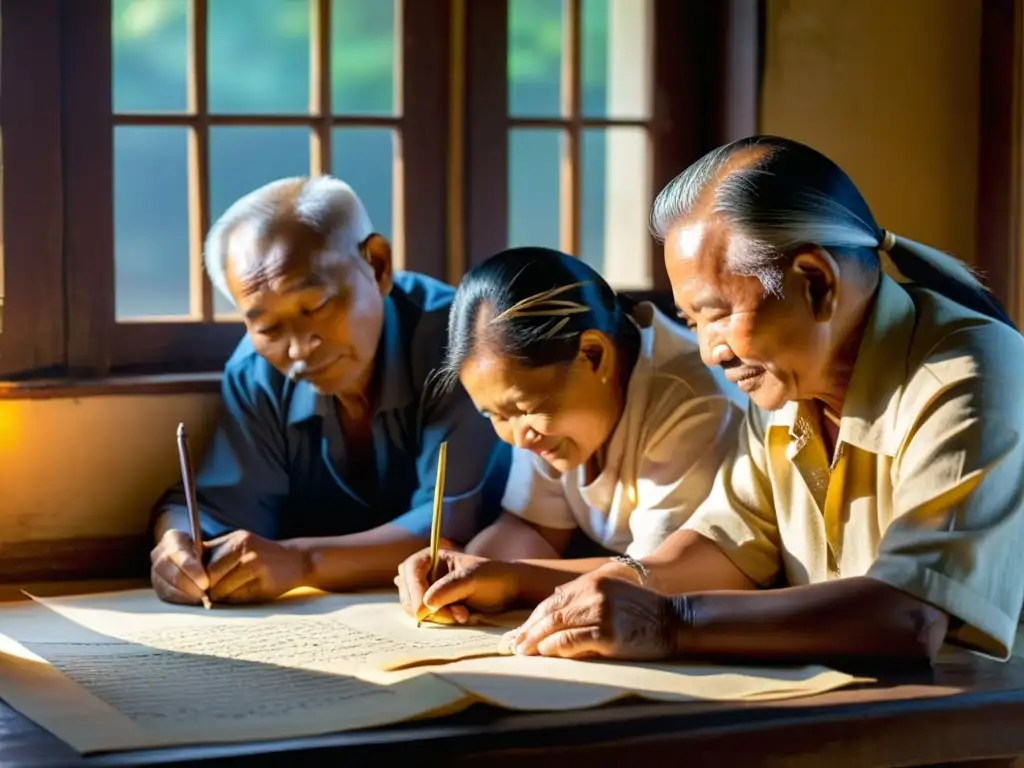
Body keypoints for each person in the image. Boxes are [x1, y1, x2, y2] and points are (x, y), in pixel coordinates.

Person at [479, 136, 1024, 664]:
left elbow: (910, 616)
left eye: (716, 315)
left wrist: (668, 624)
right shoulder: (787, 388)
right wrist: (561, 587)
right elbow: (722, 546)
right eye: (692, 322)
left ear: (815, 284)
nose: (709, 352)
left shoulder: (972, 373)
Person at [148, 176, 510, 605]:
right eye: (267, 327)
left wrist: (300, 562)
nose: (299, 348)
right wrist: (180, 543)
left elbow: (447, 529)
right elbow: (215, 507)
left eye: (316, 306)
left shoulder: (464, 343)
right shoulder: (255, 372)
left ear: (377, 265)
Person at [395, 246, 745, 625]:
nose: (518, 437)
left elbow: (655, 577)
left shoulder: (693, 402)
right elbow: (532, 528)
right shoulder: (545, 408)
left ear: (593, 356)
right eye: (494, 415)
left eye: (525, 408)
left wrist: (512, 579)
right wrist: (456, 575)